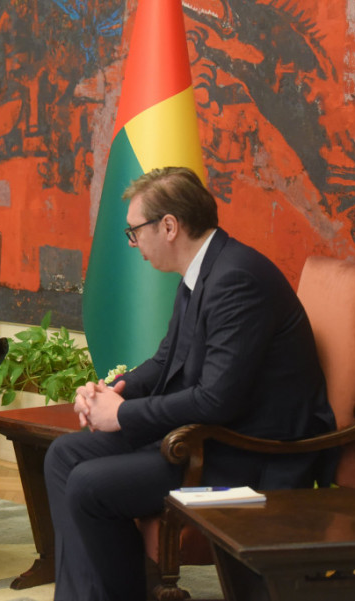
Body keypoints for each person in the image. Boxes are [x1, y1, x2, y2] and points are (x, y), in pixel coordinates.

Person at [44, 166, 337, 601]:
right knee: (63, 456)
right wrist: (112, 391)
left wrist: (122, 415)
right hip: (207, 439)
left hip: (250, 455)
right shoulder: (203, 271)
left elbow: (216, 400)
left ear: (168, 226)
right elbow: (167, 360)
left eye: (134, 232)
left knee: (89, 483)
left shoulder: (236, 279)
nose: (132, 244)